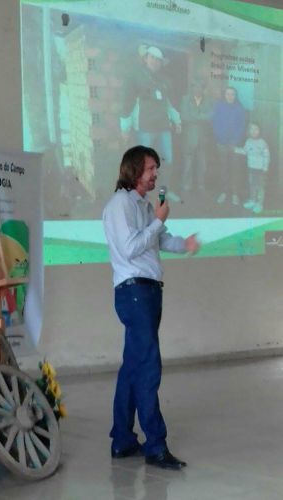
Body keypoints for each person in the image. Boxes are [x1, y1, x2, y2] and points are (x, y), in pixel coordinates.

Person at [102, 145, 200, 470]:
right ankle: (156, 447)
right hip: (135, 294)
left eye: (155, 168)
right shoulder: (120, 205)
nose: (155, 174)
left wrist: (183, 244)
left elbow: (156, 240)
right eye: (149, 169)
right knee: (147, 369)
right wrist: (157, 221)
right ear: (133, 170)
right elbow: (131, 248)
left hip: (145, 293)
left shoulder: (141, 205)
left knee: (133, 368)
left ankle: (123, 440)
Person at [120, 46, 182, 202]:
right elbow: (128, 102)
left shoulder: (165, 80)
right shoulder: (135, 77)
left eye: (158, 60)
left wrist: (177, 121)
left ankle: (164, 192)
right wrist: (125, 127)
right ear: (146, 58)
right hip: (145, 128)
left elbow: (169, 103)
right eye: (152, 58)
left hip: (163, 128)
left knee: (167, 161)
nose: (155, 62)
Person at [212, 86, 247, 206]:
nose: (230, 96)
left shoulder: (240, 108)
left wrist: (236, 140)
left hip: (235, 143)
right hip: (221, 143)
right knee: (224, 168)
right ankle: (224, 192)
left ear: (235, 96)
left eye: (232, 94)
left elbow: (242, 126)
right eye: (228, 94)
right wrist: (220, 137)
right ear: (224, 95)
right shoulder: (219, 106)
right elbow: (215, 123)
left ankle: (235, 194)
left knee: (235, 169)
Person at [180, 80, 213, 192]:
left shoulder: (208, 101)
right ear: (192, 88)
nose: (197, 89)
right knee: (188, 164)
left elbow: (210, 117)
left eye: (199, 87)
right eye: (195, 87)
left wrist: (194, 116)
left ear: (203, 89)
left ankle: (201, 185)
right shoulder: (185, 99)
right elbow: (184, 116)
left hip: (203, 139)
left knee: (202, 164)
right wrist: (200, 116)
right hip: (189, 138)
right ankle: (187, 185)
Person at [235, 122, 270, 214]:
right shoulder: (248, 142)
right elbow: (245, 151)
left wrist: (265, 168)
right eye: (251, 129)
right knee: (252, 185)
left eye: (256, 129)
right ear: (249, 131)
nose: (254, 131)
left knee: (260, 186)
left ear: (259, 131)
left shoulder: (262, 143)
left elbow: (266, 156)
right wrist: (235, 150)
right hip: (251, 168)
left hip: (261, 169)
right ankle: (252, 200)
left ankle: (259, 203)